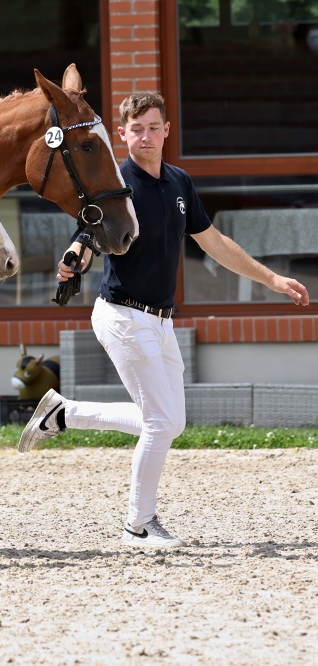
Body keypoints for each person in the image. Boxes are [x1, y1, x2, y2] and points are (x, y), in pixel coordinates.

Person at [18, 92, 310, 548]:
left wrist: (270, 278)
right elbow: (88, 234)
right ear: (122, 134)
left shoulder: (179, 182)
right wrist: (75, 257)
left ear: (167, 130)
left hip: (160, 320)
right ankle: (138, 525)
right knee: (160, 423)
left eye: (154, 128)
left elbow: (214, 242)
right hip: (122, 316)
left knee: (170, 423)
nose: (146, 137)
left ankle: (64, 413)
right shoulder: (116, 183)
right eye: (137, 129)